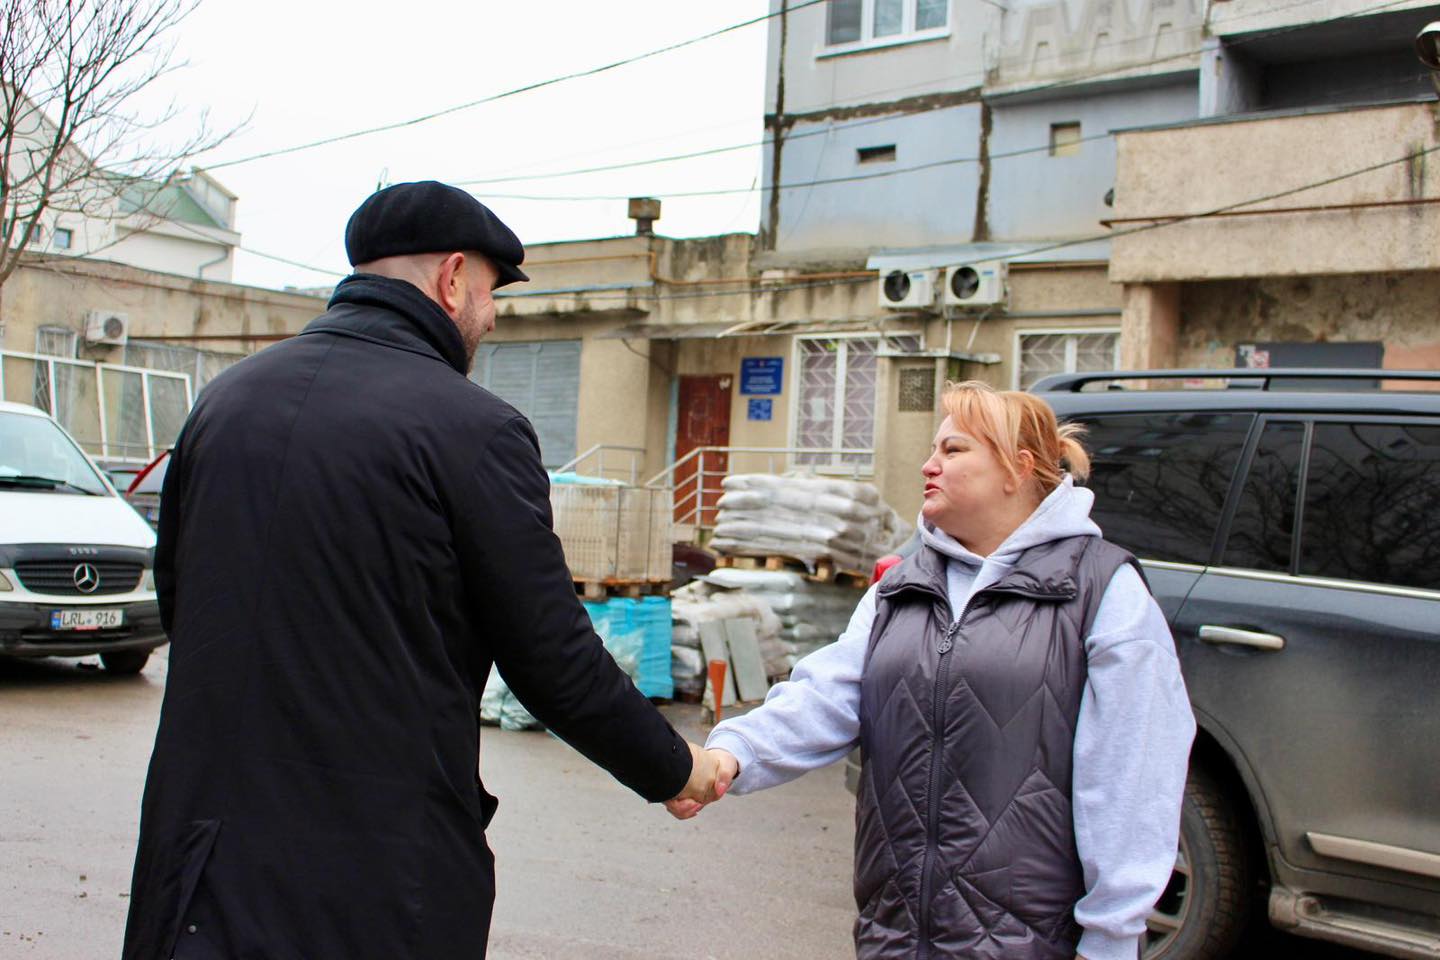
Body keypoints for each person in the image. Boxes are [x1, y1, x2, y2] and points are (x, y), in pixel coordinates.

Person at [122, 181, 722, 960]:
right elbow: (552, 659)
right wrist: (677, 767)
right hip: (369, 881)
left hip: (199, 873)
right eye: (491, 292)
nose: (492, 317)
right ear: (452, 277)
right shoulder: (474, 430)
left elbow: (183, 601)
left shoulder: (224, 404)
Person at [689, 381, 1196, 960]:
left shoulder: (1100, 590)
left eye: (953, 450)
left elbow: (1132, 776)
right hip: (896, 936)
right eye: (934, 450)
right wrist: (732, 754)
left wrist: (1111, 938)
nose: (928, 465)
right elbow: (826, 695)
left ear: (1017, 468)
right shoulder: (901, 586)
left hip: (1027, 945)